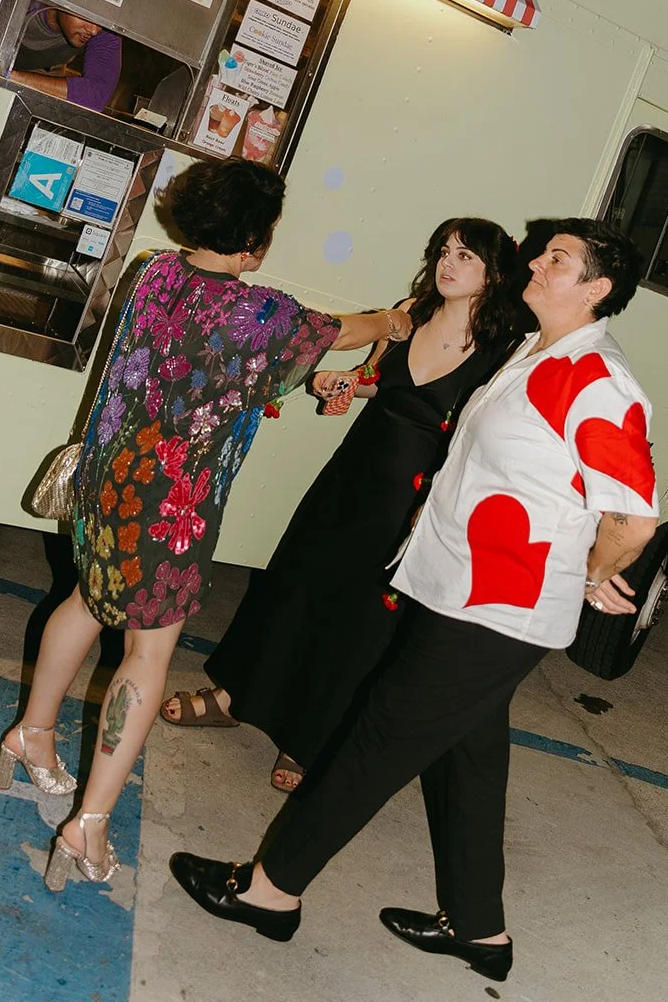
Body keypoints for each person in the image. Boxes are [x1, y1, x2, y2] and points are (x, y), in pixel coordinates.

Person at [169, 219, 659, 981]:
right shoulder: (539, 349)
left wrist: (591, 572)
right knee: (469, 763)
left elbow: (632, 516)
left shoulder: (594, 378)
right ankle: (477, 930)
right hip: (462, 586)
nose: (534, 261)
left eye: (556, 259)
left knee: (374, 743)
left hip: (494, 610)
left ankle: (270, 891)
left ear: (595, 289)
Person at [0, 157, 410, 890]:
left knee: (84, 604)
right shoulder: (262, 314)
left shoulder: (155, 271)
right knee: (146, 660)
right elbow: (345, 331)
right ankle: (87, 827)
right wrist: (393, 320)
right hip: (169, 511)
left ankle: (31, 733)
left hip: (105, 480)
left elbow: (205, 363)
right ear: (255, 237)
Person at [161, 218, 522, 793]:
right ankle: (233, 695)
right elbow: (377, 378)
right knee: (295, 580)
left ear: (493, 272)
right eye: (444, 252)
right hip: (354, 474)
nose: (448, 264)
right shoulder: (410, 312)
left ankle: (312, 739)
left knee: (363, 617)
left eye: (466, 257)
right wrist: (345, 384)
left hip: (414, 497)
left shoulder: (505, 349)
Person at [9, 0, 122, 112]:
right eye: (87, 15)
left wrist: (10, 76)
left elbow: (97, 96)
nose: (94, 31)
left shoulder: (103, 31)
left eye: (101, 20)